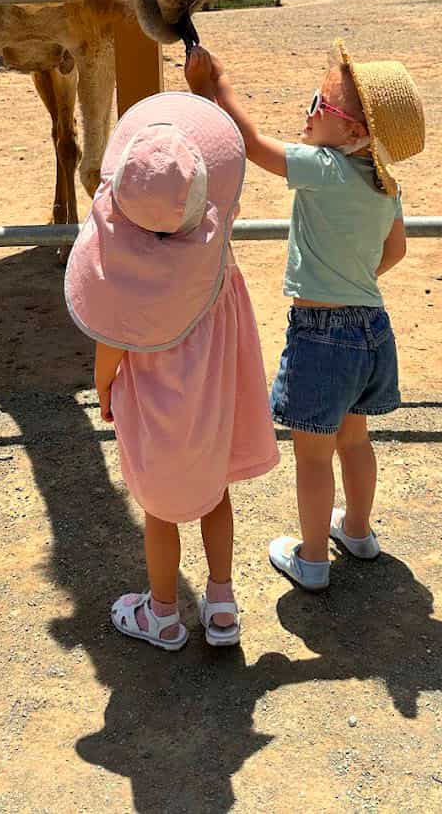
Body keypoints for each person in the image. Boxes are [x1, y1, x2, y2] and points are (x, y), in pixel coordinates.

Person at [185, 38, 424, 592]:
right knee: (355, 441)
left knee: (313, 456)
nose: (309, 112)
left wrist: (217, 85)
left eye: (321, 105)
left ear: (355, 132)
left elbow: (251, 144)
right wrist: (355, 277)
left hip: (321, 336)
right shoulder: (385, 184)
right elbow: (396, 250)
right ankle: (357, 531)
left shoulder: (323, 166)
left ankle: (313, 558)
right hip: (371, 329)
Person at [64, 92, 279, 649]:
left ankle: (161, 614)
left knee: (158, 512)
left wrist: (103, 388)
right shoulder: (219, 268)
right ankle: (222, 606)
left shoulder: (123, 289)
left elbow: (110, 350)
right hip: (211, 406)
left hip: (155, 414)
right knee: (216, 494)